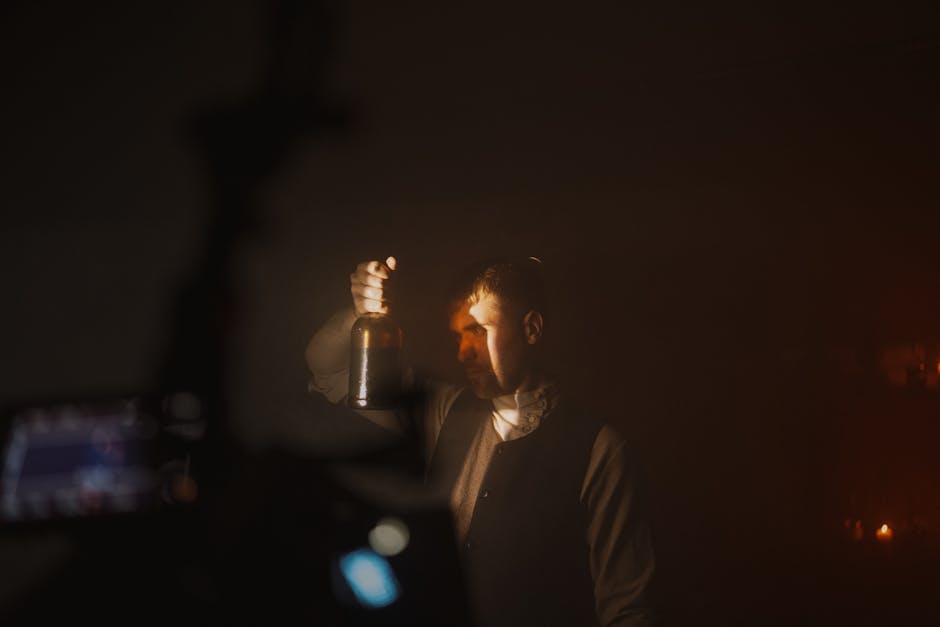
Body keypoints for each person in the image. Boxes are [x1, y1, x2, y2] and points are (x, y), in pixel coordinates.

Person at [306, 255, 655, 627]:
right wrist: (360, 315)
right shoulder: (443, 409)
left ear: (532, 328)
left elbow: (627, 607)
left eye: (476, 330)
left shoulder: (600, 448)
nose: (462, 353)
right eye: (458, 335)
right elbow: (329, 372)